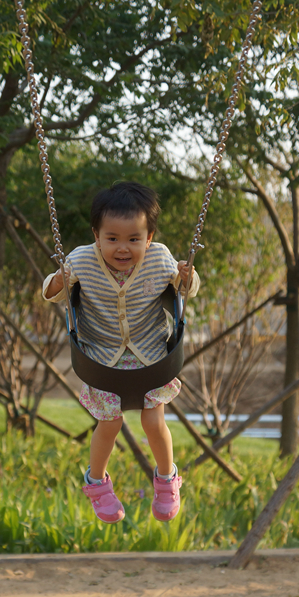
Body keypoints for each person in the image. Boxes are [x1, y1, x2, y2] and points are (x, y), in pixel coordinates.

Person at [42, 181, 199, 524]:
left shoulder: (160, 258)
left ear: (150, 236)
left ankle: (166, 480)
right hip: (101, 357)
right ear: (96, 235)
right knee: (109, 423)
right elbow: (54, 292)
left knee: (153, 421)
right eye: (112, 238)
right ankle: (96, 483)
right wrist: (58, 280)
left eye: (133, 239)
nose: (122, 248)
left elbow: (184, 289)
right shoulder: (81, 260)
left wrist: (187, 276)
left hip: (150, 354)